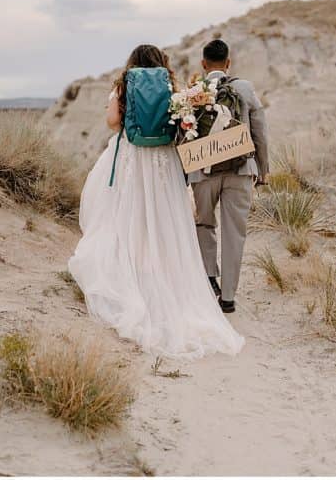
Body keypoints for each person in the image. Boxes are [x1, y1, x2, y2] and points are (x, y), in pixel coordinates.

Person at [68, 44, 244, 359]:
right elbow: (179, 121)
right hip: (163, 160)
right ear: (162, 63)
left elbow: (112, 122)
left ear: (132, 63)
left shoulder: (123, 85)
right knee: (163, 220)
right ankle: (165, 275)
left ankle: (135, 274)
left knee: (129, 215)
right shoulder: (169, 86)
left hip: (133, 159)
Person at [189, 39, 269, 313]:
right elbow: (259, 130)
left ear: (203, 64)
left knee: (204, 224)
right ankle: (229, 297)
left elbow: (183, 135)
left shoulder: (194, 91)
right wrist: (263, 168)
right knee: (235, 233)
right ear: (228, 63)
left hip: (203, 171)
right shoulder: (244, 88)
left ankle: (210, 278)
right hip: (241, 168)